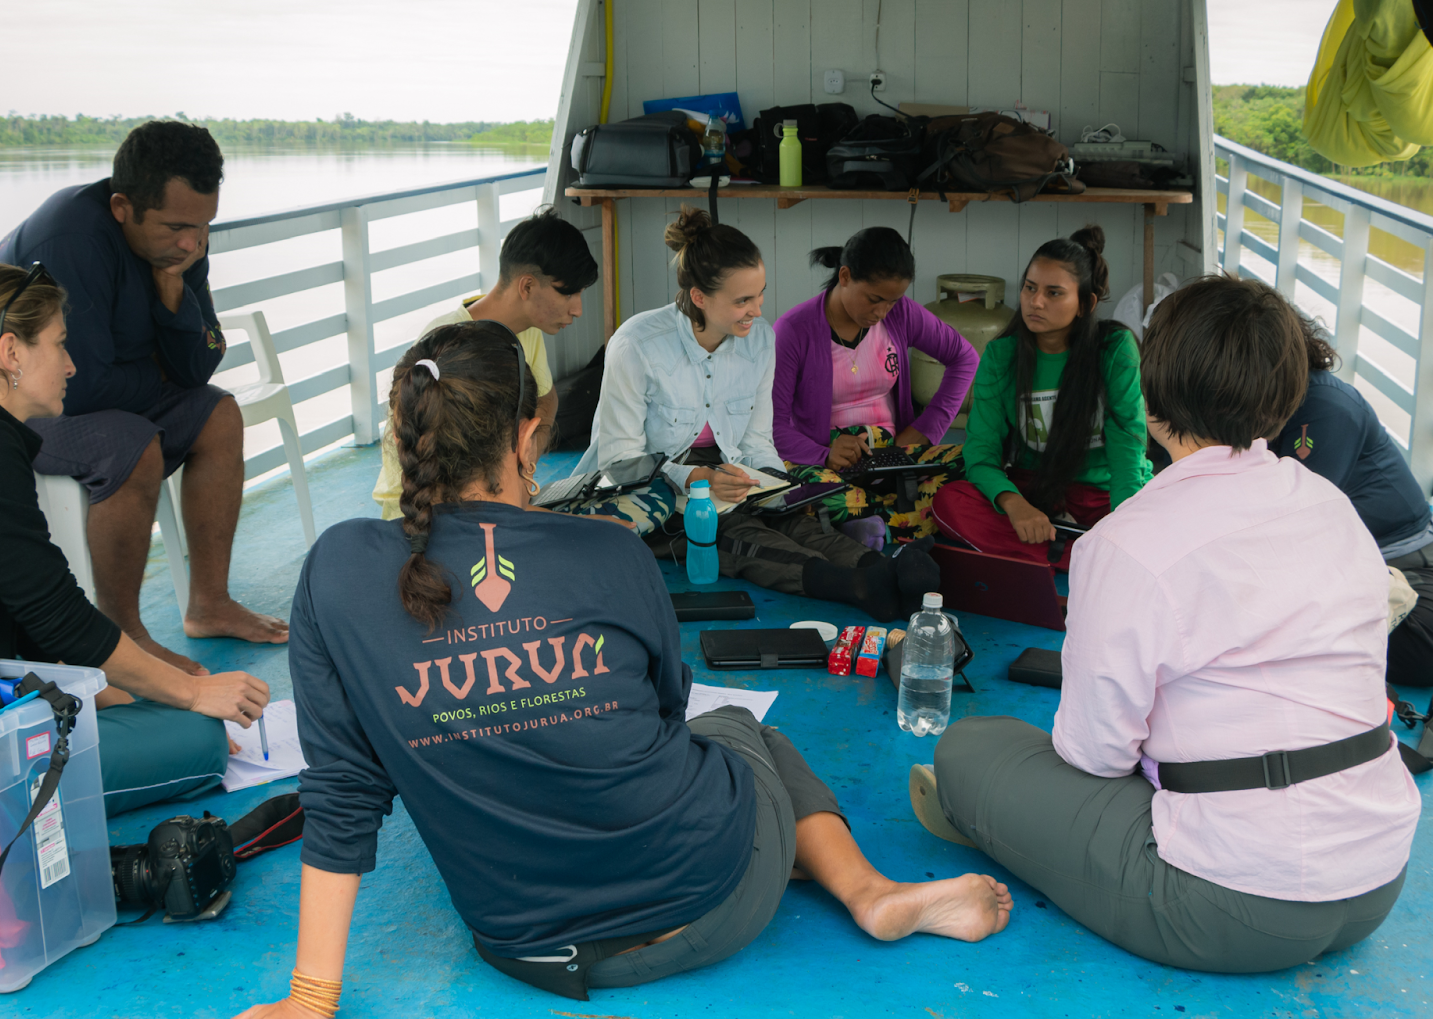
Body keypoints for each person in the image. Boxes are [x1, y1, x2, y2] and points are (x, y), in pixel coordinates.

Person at [233, 322, 1011, 1019]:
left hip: (522, 947)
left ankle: (816, 866)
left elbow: (343, 788)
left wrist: (309, 1001)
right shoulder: (607, 549)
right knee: (739, 729)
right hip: (713, 903)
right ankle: (869, 892)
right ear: (528, 438)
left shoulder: (336, 569)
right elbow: (669, 711)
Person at [914, 274, 1419, 973]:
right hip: (1377, 880)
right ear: (1285, 395)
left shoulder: (1126, 543)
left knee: (971, 746)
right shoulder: (1334, 509)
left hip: (1228, 905)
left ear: (1150, 394)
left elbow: (1095, 755)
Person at [0, 264, 271, 816]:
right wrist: (192, 694)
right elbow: (57, 616)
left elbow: (23, 607)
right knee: (200, 739)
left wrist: (117, 695)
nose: (71, 365)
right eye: (60, 344)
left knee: (150, 709)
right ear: (11, 353)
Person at [0, 120, 285, 676]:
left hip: (101, 391)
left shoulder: (182, 247)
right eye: (176, 227)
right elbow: (81, 386)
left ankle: (210, 604)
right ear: (122, 207)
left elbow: (201, 363)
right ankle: (123, 636)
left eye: (203, 226)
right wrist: (160, 370)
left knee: (219, 414)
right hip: (14, 404)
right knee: (132, 443)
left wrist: (173, 292)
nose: (192, 243)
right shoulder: (70, 240)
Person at [571, 207, 938, 623]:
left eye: (759, 294)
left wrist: (772, 486)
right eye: (743, 301)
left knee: (786, 519)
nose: (758, 311)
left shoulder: (759, 340)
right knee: (734, 534)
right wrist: (697, 477)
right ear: (699, 297)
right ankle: (855, 585)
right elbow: (620, 460)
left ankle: (882, 568)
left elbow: (756, 440)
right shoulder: (637, 345)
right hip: (649, 486)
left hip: (724, 467)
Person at [929, 227, 1151, 569]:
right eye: (1030, 288)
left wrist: (1124, 527)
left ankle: (1070, 553)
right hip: (1034, 492)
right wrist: (1015, 505)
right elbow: (982, 453)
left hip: (1103, 494)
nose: (1035, 302)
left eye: (1054, 293)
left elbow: (1127, 454)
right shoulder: (1001, 356)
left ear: (1085, 304)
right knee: (950, 502)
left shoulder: (1114, 349)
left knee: (1164, 516)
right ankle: (1091, 558)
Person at [372, 207, 599, 520]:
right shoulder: (444, 343)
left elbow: (546, 399)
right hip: (422, 512)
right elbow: (415, 455)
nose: (578, 309)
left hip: (492, 504)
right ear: (527, 286)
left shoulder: (528, 331)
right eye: (568, 294)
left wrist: (527, 456)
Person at [772, 227, 980, 541]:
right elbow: (773, 427)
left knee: (977, 462)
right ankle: (912, 518)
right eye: (874, 299)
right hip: (826, 462)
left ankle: (863, 522)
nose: (882, 312)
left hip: (893, 455)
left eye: (892, 302)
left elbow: (964, 357)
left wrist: (925, 430)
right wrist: (824, 454)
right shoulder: (793, 330)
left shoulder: (902, 314)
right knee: (808, 487)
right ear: (844, 276)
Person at [1272, 326, 1433, 690]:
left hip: (1409, 568)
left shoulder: (1324, 406)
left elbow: (1294, 531)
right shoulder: (1278, 404)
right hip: (1356, 564)